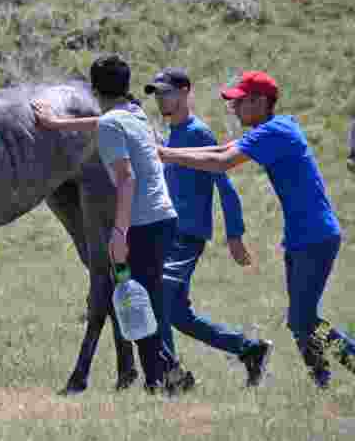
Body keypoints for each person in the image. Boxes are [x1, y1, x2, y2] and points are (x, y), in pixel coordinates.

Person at [158, 70, 355, 388]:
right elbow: (221, 150)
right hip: (303, 236)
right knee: (301, 322)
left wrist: (166, 155)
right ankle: (322, 385)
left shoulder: (274, 131)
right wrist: (165, 153)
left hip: (315, 236)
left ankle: (327, 378)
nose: (234, 109)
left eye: (239, 103)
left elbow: (222, 163)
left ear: (260, 101)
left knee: (301, 320)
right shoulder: (273, 128)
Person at [32, 55, 194, 395]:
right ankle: (161, 376)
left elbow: (126, 179)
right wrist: (59, 124)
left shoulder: (111, 125)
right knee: (139, 301)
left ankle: (165, 379)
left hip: (142, 224)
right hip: (163, 219)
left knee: (138, 303)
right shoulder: (135, 114)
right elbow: (102, 121)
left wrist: (119, 232)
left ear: (93, 89)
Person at [143, 67, 273, 387]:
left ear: (186, 91)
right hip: (167, 232)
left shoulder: (198, 133)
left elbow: (224, 185)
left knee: (156, 295)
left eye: (167, 92)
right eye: (157, 93)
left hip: (187, 235)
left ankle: (170, 376)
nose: (161, 99)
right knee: (178, 316)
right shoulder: (168, 135)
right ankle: (249, 349)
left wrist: (235, 234)